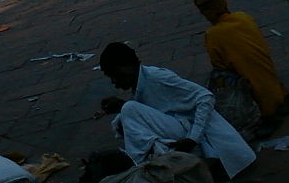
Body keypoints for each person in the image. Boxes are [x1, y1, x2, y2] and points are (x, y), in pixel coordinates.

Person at [98, 42, 256, 179]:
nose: (114, 81)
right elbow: (156, 111)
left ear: (127, 66)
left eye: (115, 75)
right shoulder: (140, 83)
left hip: (192, 133)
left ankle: (137, 169)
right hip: (180, 126)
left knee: (129, 110)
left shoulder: (156, 78)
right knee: (124, 118)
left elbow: (205, 97)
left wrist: (193, 138)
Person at [193, 0, 289, 140]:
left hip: (256, 101)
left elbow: (220, 67)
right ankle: (281, 99)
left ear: (206, 13)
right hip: (275, 89)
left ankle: (264, 118)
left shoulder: (213, 34)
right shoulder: (243, 17)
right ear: (224, 3)